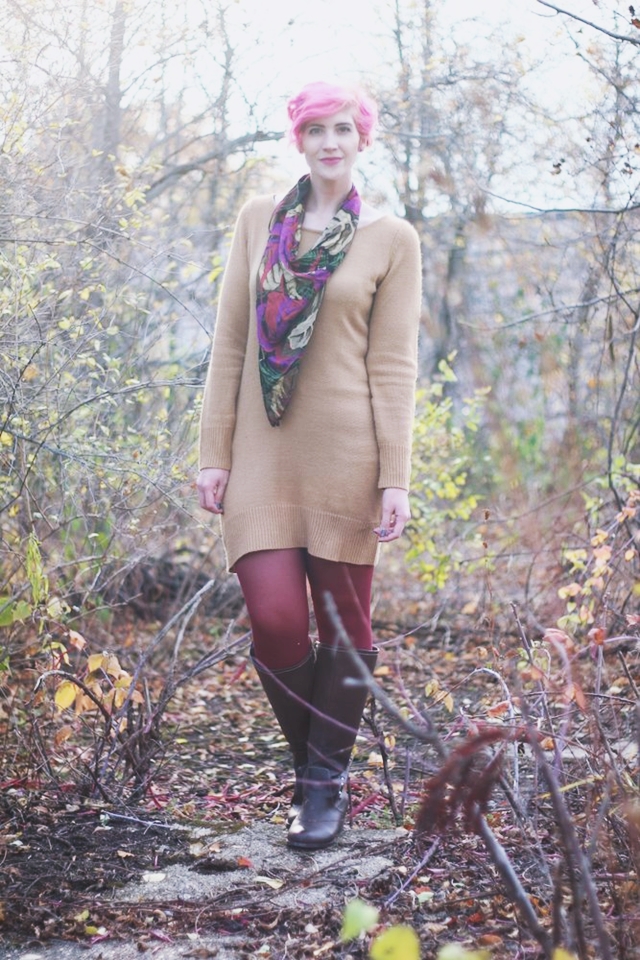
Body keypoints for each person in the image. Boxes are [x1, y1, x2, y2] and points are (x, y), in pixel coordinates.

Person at [197, 80, 422, 850]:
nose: (330, 142)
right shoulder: (259, 221)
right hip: (262, 453)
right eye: (316, 130)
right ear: (300, 140)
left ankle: (318, 786)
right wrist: (212, 452)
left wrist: (396, 473)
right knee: (277, 619)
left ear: (362, 140)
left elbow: (393, 366)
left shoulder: (393, 239)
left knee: (344, 625)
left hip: (347, 458)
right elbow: (230, 342)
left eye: (343, 130)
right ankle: (320, 771)